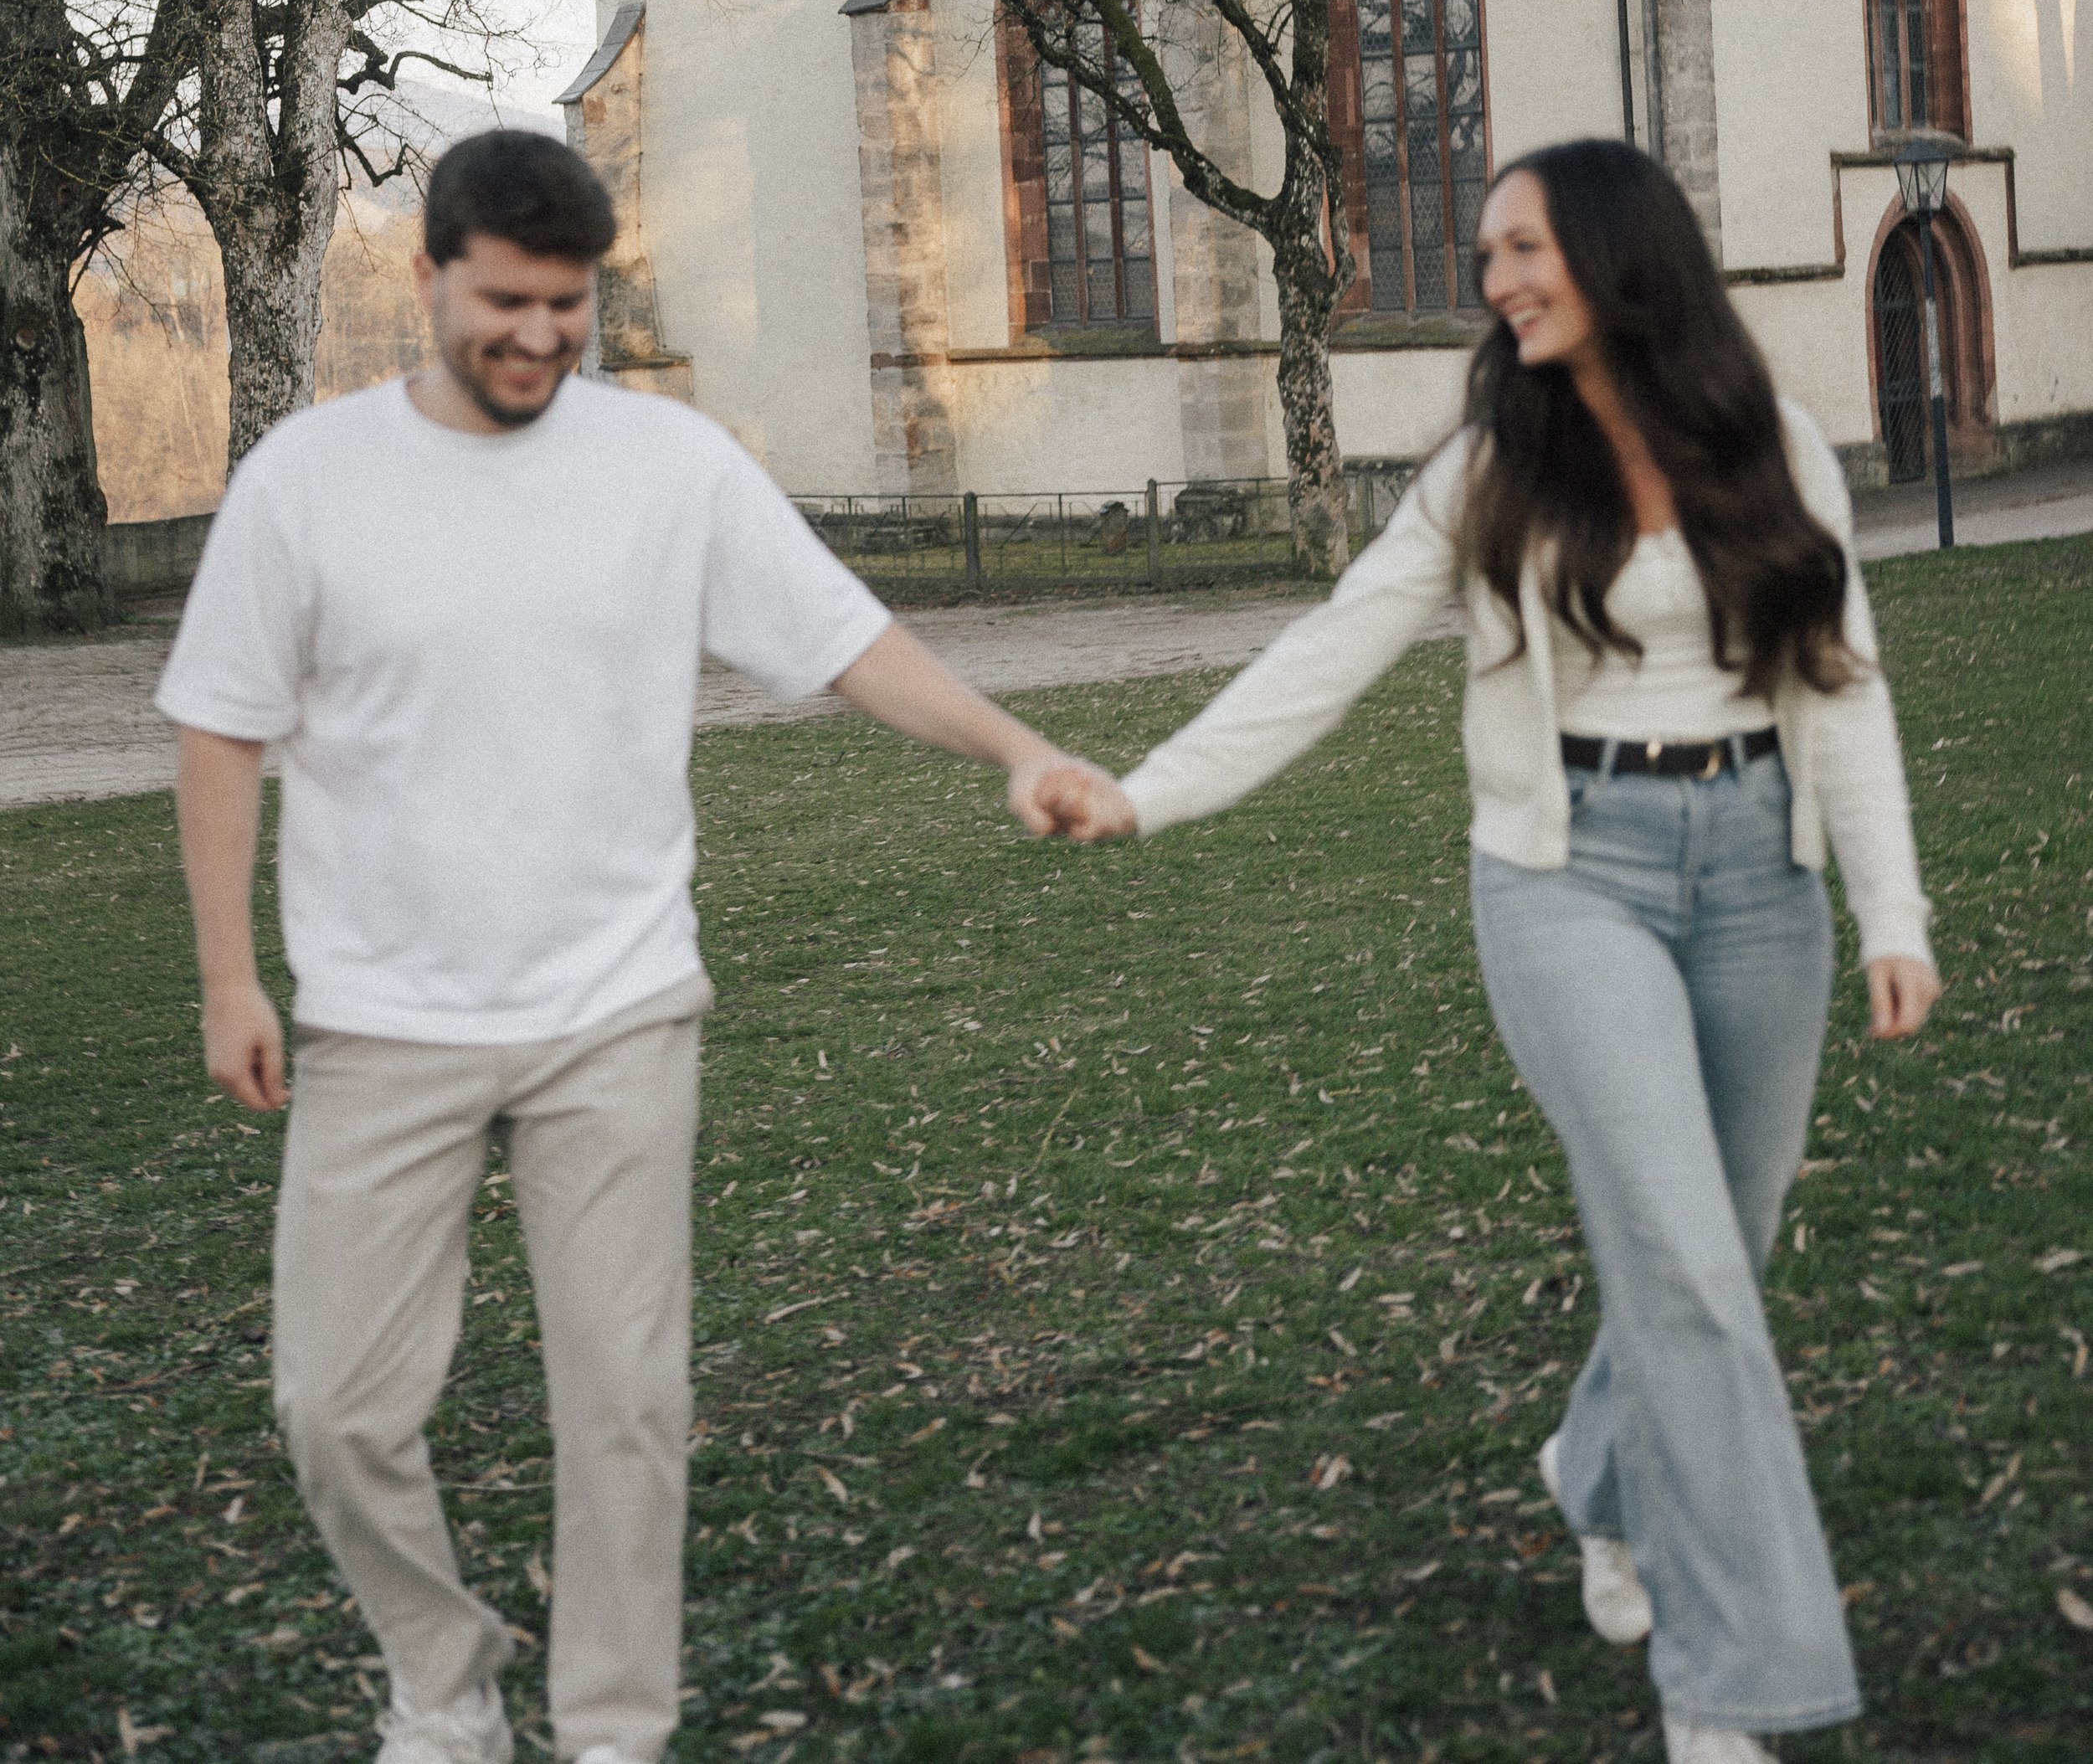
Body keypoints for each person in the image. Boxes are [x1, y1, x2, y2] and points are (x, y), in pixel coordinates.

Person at [165, 127, 1123, 1764]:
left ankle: (612, 1729)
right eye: (507, 303)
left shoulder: (664, 468)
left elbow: (845, 644)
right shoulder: (306, 482)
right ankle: (442, 1688)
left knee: (626, 1405)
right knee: (335, 1409)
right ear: (427, 278)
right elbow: (218, 732)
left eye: (568, 306)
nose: (539, 337)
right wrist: (230, 977)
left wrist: (1016, 747)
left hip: (615, 1008)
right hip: (383, 1017)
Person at [1043, 139, 1940, 1764]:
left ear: (1616, 254)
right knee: (1679, 1268)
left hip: (1758, 879)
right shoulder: (1486, 467)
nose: (1496, 278)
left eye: (1522, 246)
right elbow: (1334, 645)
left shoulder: (1773, 443)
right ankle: (1724, 1690)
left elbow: (1839, 681)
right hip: (1564, 879)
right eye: (1489, 255)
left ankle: (1593, 1476)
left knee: (1707, 1261)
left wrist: (1892, 911)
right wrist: (1145, 792)